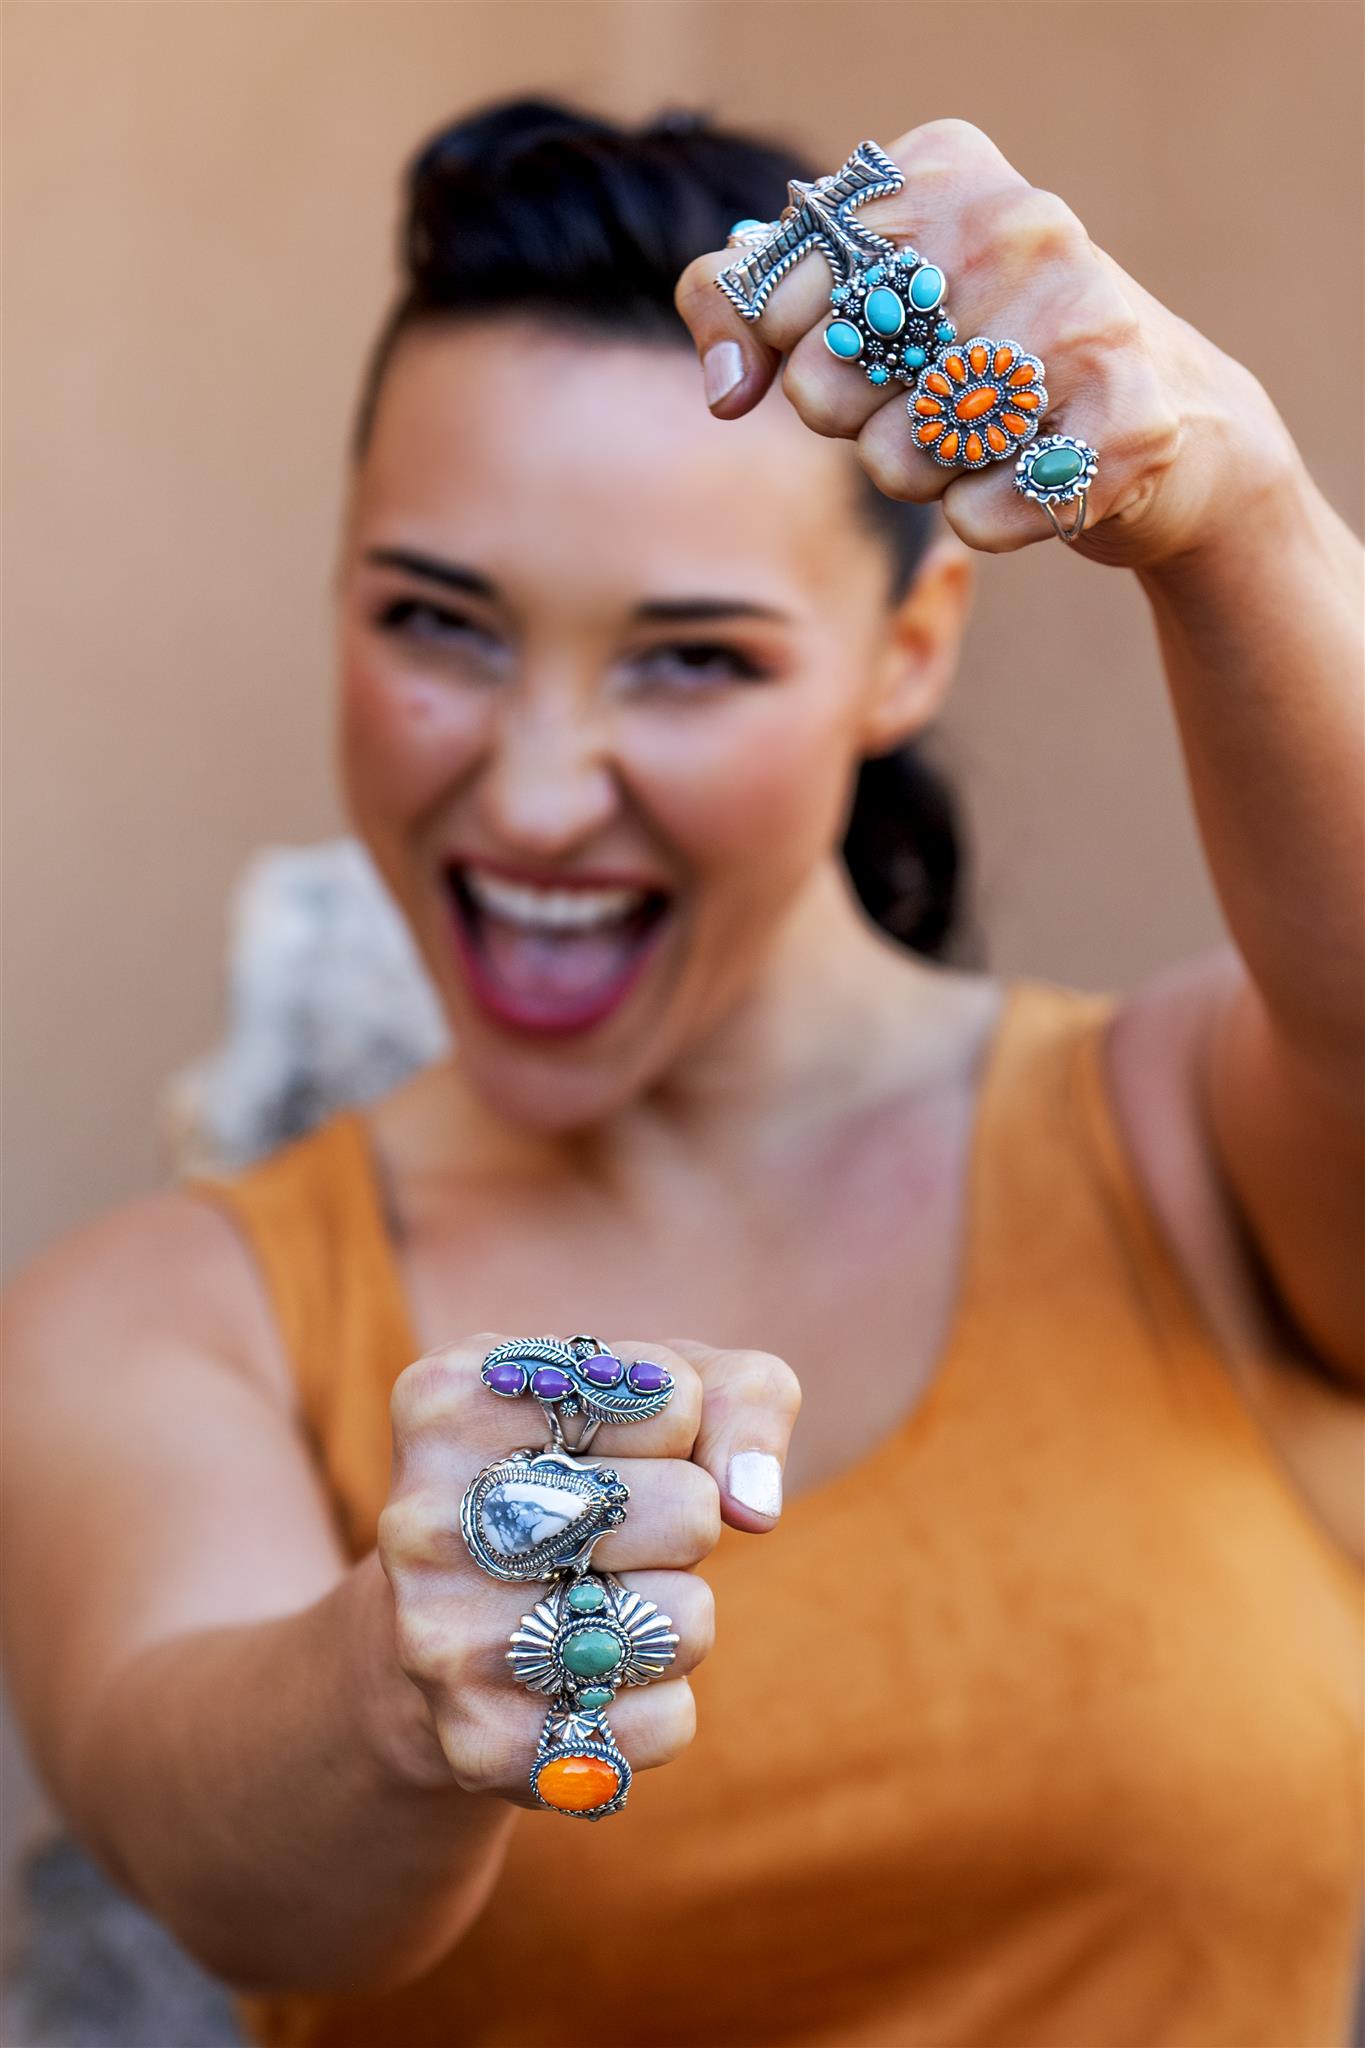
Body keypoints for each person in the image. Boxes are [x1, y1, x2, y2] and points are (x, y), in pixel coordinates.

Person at [2, 98, 1360, 2048]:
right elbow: (214, 1847)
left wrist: (1237, 518)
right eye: (435, 624)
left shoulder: (1184, 1152)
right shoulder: (157, 1319)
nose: (539, 789)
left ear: (906, 649)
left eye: (690, 658)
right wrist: (399, 1686)